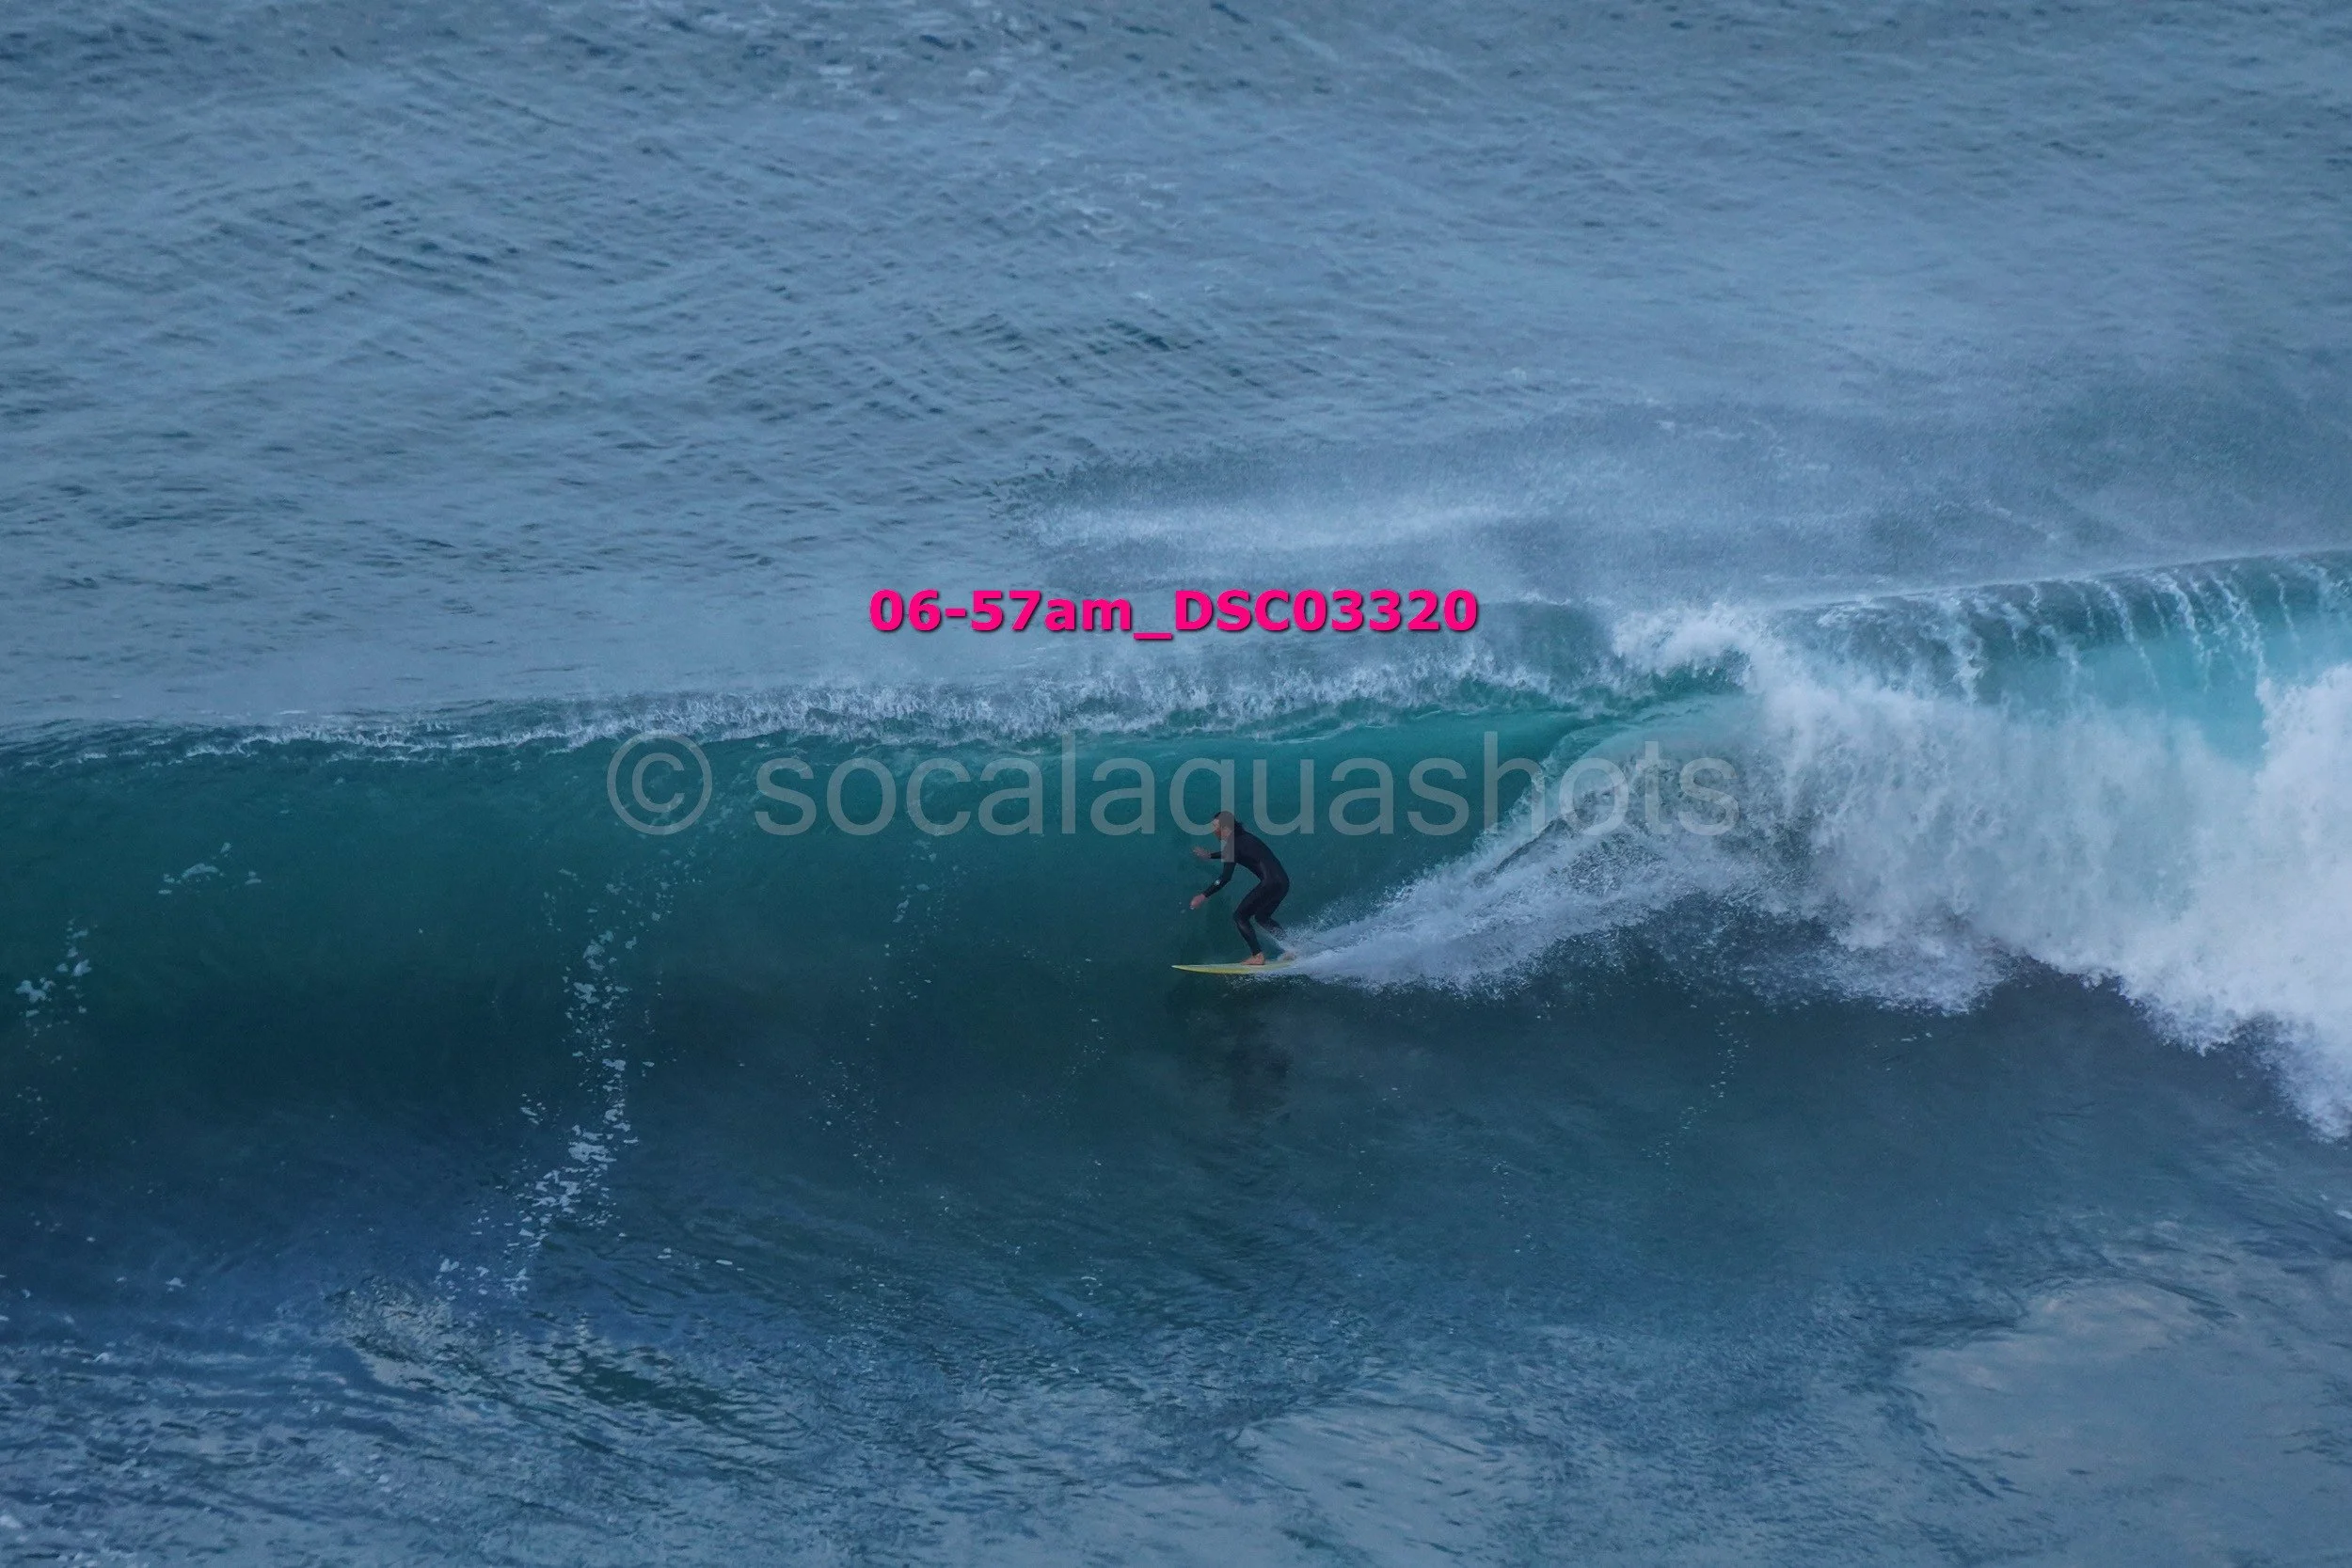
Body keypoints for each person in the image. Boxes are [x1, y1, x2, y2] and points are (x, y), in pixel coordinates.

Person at [1189, 810, 1289, 965]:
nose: (1213, 830)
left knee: (1240, 916)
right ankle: (1292, 949)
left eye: (1215, 826)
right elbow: (1235, 853)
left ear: (1225, 828)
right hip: (1282, 882)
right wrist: (1210, 856)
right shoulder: (1244, 838)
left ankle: (1257, 956)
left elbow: (1225, 878)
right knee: (1262, 917)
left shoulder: (1232, 845)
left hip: (1269, 884)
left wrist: (1203, 895)